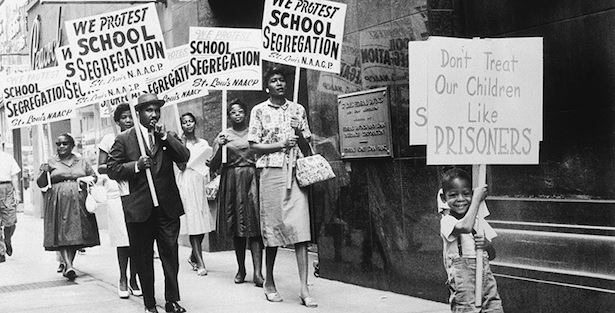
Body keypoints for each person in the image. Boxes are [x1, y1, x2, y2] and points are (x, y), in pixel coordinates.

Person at [107, 93, 190, 313]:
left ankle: (172, 300)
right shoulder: (125, 139)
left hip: (167, 208)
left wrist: (166, 138)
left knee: (170, 255)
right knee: (143, 258)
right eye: (148, 110)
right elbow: (112, 169)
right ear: (138, 113)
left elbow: (184, 156)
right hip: (140, 209)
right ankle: (150, 304)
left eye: (156, 110)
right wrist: (135, 165)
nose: (153, 114)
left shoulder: (166, 136)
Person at [247, 67, 317, 308]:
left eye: (282, 80)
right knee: (274, 230)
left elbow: (309, 148)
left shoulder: (298, 110)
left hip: (296, 173)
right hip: (272, 172)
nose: (279, 84)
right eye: (274, 81)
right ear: (267, 86)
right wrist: (280, 144)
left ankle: (304, 287)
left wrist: (300, 132)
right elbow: (253, 146)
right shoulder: (259, 111)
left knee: (301, 230)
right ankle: (269, 281)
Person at [209, 99, 264, 286]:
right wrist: (220, 147)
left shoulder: (254, 132)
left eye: (241, 111)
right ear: (228, 116)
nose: (237, 114)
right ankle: (241, 269)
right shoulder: (223, 136)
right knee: (237, 227)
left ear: (246, 114)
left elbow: (263, 154)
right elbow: (214, 165)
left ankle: (258, 272)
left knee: (255, 226)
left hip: (252, 179)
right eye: (233, 112)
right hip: (232, 180)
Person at [36, 133, 99, 280]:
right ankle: (69, 266)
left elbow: (94, 176)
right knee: (62, 232)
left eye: (65, 143)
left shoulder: (81, 161)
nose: (61, 146)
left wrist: (86, 180)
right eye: (58, 144)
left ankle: (68, 263)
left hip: (78, 200)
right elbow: (41, 183)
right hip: (58, 201)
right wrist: (43, 172)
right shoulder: (51, 162)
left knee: (75, 233)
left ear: (72, 146)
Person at [439, 168, 503, 312]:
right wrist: (476, 199)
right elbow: (465, 227)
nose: (460, 199)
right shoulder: (447, 221)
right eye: (453, 195)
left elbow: (492, 255)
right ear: (444, 198)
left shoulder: (479, 221)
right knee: (467, 309)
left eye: (466, 194)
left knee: (494, 308)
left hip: (485, 277)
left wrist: (487, 245)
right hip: (464, 281)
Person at [98, 103, 142, 298]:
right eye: (124, 117)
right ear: (117, 121)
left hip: (138, 191)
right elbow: (100, 167)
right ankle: (123, 278)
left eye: (131, 116)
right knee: (122, 238)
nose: (128, 120)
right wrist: (121, 166)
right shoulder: (110, 138)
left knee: (137, 237)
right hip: (117, 191)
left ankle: (134, 278)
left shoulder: (140, 137)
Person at [176, 112, 214, 277]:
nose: (188, 124)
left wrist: (208, 163)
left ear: (195, 124)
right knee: (193, 221)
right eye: (185, 122)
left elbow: (208, 162)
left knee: (202, 221)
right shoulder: (179, 143)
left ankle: (193, 256)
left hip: (200, 180)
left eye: (191, 121)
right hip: (187, 182)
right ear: (181, 125)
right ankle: (200, 262)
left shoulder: (203, 143)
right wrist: (181, 146)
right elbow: (181, 166)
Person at [0, 148, 20, 263]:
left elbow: (14, 176)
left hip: (6, 188)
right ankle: (1, 252)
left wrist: (17, 193)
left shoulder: (7, 157)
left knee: (10, 221)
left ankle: (7, 239)